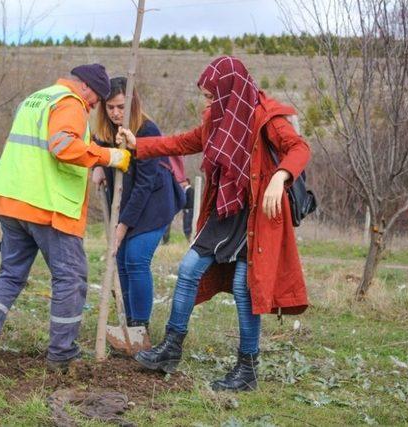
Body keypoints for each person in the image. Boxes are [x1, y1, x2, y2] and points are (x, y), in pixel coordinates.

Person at [117, 56, 311, 392]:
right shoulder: (218, 119)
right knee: (189, 267)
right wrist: (140, 145)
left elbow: (299, 148)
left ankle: (247, 369)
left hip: (256, 216)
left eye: (210, 96)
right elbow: (185, 142)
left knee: (243, 287)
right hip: (226, 209)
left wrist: (281, 176)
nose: (207, 103)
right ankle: (170, 349)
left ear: (229, 91)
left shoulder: (266, 118)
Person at [0, 64, 131, 372]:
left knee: (10, 276)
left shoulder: (38, 98)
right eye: (95, 101)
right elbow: (62, 146)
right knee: (71, 279)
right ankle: (62, 354)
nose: (92, 108)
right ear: (87, 89)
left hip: (13, 203)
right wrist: (108, 157)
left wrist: (95, 156)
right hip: (47, 207)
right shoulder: (70, 103)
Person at [92, 76, 184, 330]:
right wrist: (97, 166)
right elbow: (96, 149)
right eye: (110, 107)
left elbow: (144, 185)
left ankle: (138, 326)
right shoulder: (106, 131)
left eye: (121, 107)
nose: (115, 112)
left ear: (133, 104)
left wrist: (122, 227)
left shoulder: (147, 131)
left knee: (135, 259)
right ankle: (127, 324)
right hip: (123, 203)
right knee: (120, 260)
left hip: (153, 204)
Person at [162, 156, 194, 243]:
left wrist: (186, 208)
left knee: (187, 224)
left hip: (188, 210)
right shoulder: (184, 190)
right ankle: (165, 239)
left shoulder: (190, 190)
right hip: (184, 209)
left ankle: (188, 238)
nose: (182, 183)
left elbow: (189, 201)